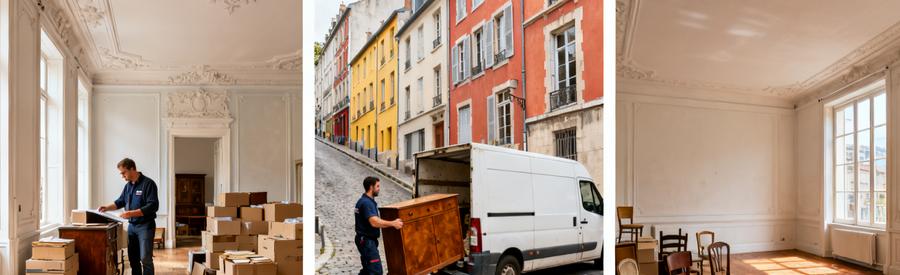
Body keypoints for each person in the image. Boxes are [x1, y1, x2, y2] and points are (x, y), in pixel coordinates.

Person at [98, 158, 159, 275]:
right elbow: (120, 201)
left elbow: (153, 206)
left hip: (145, 226)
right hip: (132, 227)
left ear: (132, 169)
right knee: (133, 258)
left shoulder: (148, 184)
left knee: (145, 258)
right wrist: (106, 207)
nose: (122, 176)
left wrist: (130, 213)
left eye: (123, 172)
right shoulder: (128, 186)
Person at [355, 176, 403, 275]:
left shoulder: (364, 201)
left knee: (367, 271)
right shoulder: (366, 203)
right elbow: (374, 222)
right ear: (371, 187)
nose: (379, 188)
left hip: (365, 241)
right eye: (377, 186)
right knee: (376, 271)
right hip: (367, 242)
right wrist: (392, 223)